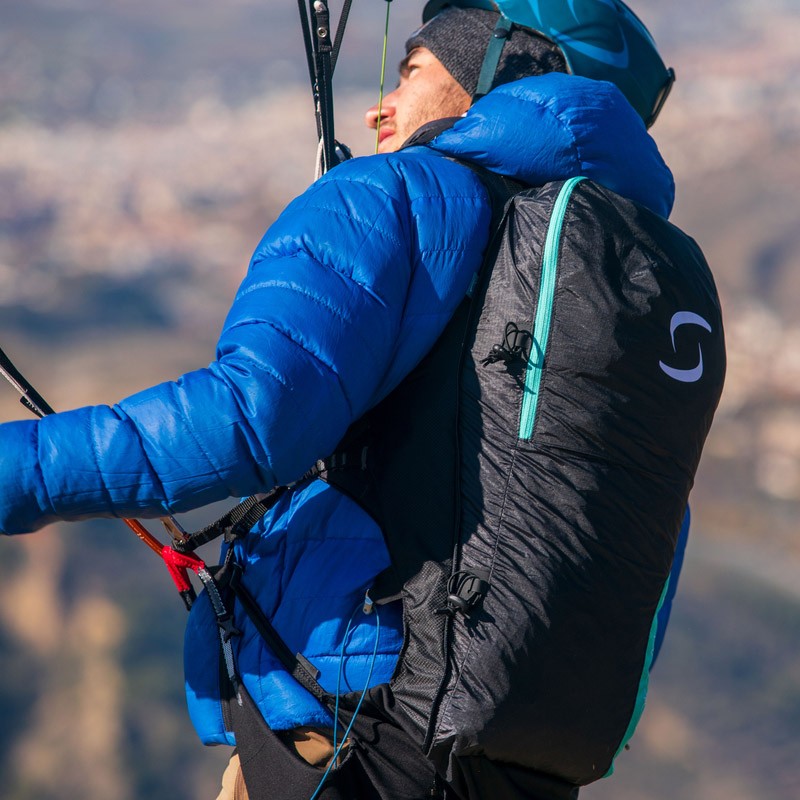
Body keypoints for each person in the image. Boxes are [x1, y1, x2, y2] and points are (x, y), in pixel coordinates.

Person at [0, 2, 721, 799]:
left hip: (352, 737)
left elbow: (245, 420)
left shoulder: (408, 191)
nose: (382, 105)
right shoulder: (654, 282)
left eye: (413, 72)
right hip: (527, 759)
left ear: (504, 73)